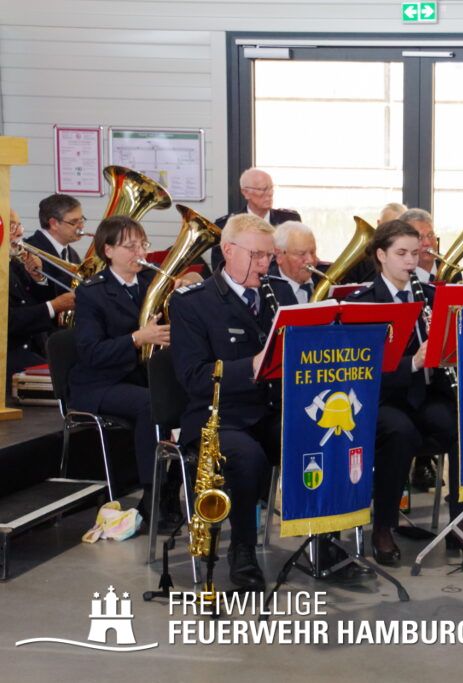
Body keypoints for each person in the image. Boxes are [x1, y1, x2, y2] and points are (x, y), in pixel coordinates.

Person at [170, 214, 293, 589]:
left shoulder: (280, 294)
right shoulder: (193, 303)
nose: (264, 264)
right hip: (218, 417)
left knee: (317, 439)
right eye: (256, 255)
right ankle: (242, 550)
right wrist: (253, 365)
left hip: (269, 410)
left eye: (269, 256)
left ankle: (324, 540)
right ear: (227, 250)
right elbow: (194, 377)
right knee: (247, 458)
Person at [346, 221, 462, 562]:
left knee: (461, 426)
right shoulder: (364, 303)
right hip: (383, 399)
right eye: (401, 253)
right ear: (381, 255)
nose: (411, 261)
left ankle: (460, 521)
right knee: (400, 434)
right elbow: (362, 369)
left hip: (426, 394)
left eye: (415, 253)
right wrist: (413, 362)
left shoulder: (432, 296)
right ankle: (384, 525)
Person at [69, 215, 180, 532]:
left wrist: (186, 292)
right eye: (130, 247)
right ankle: (152, 497)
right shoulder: (92, 293)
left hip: (138, 378)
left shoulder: (149, 283)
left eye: (143, 244)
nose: (140, 253)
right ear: (108, 251)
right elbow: (91, 352)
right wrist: (137, 339)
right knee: (151, 404)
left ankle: (173, 490)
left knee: (191, 397)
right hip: (98, 383)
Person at [7, 209, 76, 375]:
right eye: (12, 227)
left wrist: (39, 278)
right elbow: (9, 321)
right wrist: (54, 306)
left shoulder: (16, 262)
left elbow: (34, 300)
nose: (20, 232)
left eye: (19, 225)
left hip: (37, 348)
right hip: (11, 356)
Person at [210, 168, 301, 270]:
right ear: (245, 193)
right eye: (263, 189)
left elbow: (299, 257)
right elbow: (220, 269)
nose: (270, 193)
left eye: (271, 188)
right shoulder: (225, 226)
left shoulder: (289, 220)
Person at [26, 193, 85, 292]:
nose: (81, 226)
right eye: (74, 222)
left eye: (82, 220)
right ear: (54, 224)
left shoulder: (72, 254)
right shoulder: (29, 251)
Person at [269, 221, 321, 304]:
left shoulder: (322, 279)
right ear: (279, 255)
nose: (310, 260)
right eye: (301, 254)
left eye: (312, 252)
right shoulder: (267, 289)